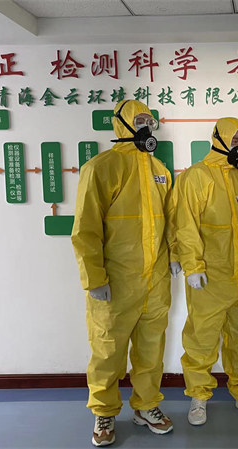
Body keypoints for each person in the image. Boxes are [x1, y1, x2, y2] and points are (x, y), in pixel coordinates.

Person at [72, 99, 180, 447]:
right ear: (123, 124)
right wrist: (94, 278)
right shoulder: (100, 168)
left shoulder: (160, 171)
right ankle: (104, 412)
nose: (147, 125)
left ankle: (146, 406)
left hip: (155, 280)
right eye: (140, 119)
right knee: (107, 350)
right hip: (115, 281)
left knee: (151, 350)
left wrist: (174, 256)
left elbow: (171, 222)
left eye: (150, 120)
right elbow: (85, 229)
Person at [175, 117, 238, 426]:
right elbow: (186, 224)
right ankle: (198, 397)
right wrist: (192, 266)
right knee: (202, 339)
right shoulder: (198, 175)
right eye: (234, 140)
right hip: (210, 276)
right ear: (218, 139)